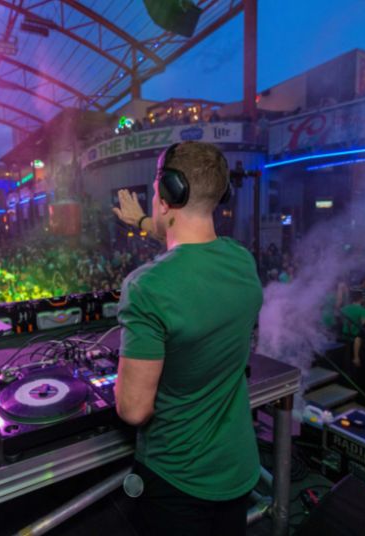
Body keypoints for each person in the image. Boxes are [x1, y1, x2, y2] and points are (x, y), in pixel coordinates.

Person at [112, 142, 261, 536]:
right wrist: (144, 220)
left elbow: (133, 410)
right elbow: (188, 244)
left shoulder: (147, 287)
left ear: (167, 195)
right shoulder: (243, 261)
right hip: (236, 467)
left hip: (177, 480)